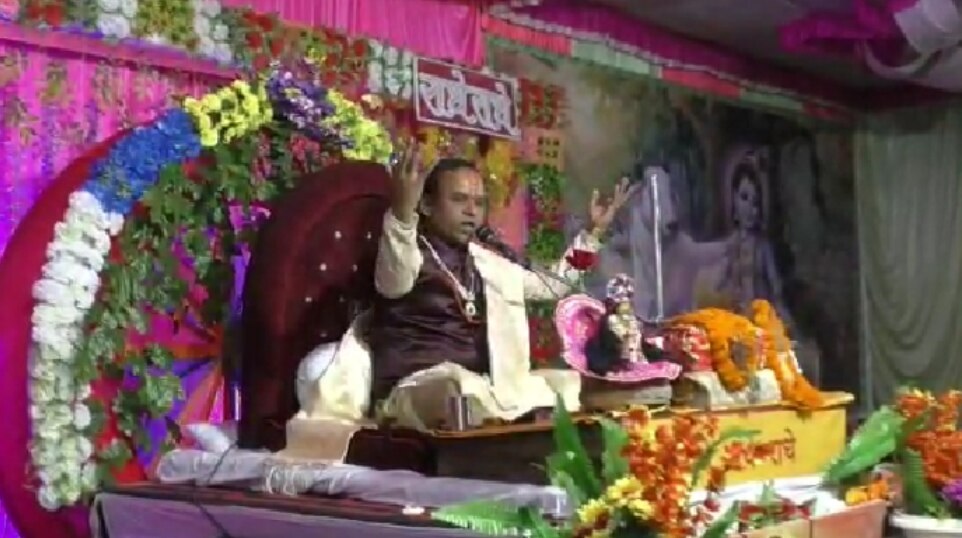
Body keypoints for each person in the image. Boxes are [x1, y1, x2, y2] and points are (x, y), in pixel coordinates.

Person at [298, 142, 630, 431]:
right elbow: (394, 281)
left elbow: (552, 286)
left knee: (574, 385)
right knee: (452, 391)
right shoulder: (406, 252)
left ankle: (513, 427)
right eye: (459, 200)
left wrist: (592, 235)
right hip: (415, 388)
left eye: (479, 202)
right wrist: (401, 213)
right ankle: (506, 427)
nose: (472, 212)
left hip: (486, 388)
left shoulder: (486, 263)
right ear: (426, 205)